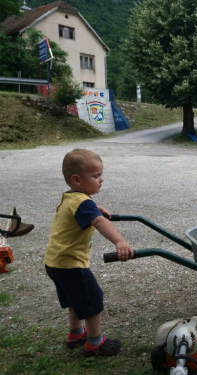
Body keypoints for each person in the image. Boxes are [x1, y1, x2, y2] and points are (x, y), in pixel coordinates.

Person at [44, 148, 134, 356]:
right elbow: (99, 222)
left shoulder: (71, 198)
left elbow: (85, 210)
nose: (101, 180)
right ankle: (95, 342)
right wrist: (119, 241)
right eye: (96, 176)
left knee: (75, 298)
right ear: (77, 179)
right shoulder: (83, 203)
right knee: (91, 299)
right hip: (71, 264)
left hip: (54, 263)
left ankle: (75, 333)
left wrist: (95, 207)